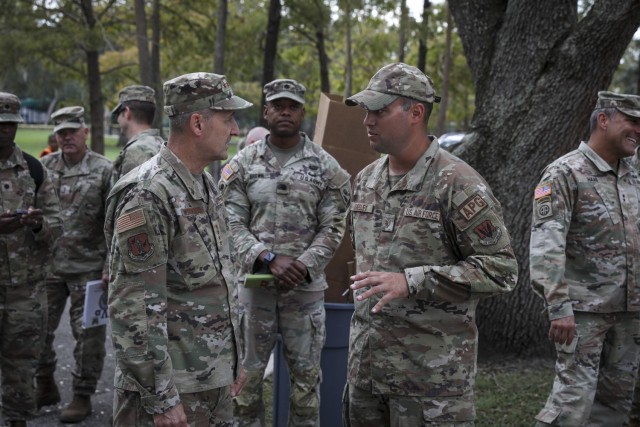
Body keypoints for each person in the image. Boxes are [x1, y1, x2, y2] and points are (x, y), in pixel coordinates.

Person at [343, 62, 518, 426]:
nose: (367, 121)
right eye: (366, 111)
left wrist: (412, 281)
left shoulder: (457, 183)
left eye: (379, 110)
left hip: (430, 386)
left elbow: (501, 269)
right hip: (366, 376)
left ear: (416, 113)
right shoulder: (365, 181)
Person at [105, 72, 252, 426]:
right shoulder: (149, 195)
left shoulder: (203, 183)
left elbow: (220, 282)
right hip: (171, 395)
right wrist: (161, 399)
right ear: (198, 123)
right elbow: (135, 309)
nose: (235, 130)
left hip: (210, 381)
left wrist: (233, 361)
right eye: (228, 118)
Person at [220, 78, 351, 427]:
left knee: (306, 386)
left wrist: (305, 265)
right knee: (245, 385)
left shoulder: (326, 167)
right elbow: (230, 222)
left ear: (303, 113)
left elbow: (334, 226)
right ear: (266, 112)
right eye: (278, 106)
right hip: (254, 290)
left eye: (292, 106)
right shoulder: (243, 163)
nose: (285, 112)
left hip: (304, 293)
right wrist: (267, 257)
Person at [530, 91, 640, 426]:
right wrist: (558, 307)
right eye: (632, 122)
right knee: (572, 402)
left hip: (631, 311)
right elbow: (546, 244)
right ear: (603, 120)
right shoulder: (564, 173)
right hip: (582, 313)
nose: (639, 130)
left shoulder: (634, 173)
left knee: (616, 402)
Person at [36, 106, 113, 423]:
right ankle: (44, 384)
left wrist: (111, 264)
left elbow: (116, 222)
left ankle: (82, 395)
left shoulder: (104, 170)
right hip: (49, 268)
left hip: (90, 269)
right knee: (36, 331)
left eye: (72, 131)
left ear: (85, 132)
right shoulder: (42, 167)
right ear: (55, 136)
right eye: (61, 133)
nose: (66, 137)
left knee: (89, 338)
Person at [0, 92, 62, 427]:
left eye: (11, 124)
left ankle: (17, 421)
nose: (5, 131)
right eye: (0, 124)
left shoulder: (34, 169)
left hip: (26, 291)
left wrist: (39, 224)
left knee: (21, 365)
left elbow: (58, 224)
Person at [110, 84, 164, 186]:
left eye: (118, 114)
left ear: (126, 112)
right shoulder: (162, 144)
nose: (117, 119)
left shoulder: (136, 152)